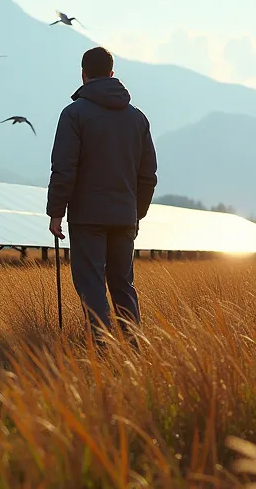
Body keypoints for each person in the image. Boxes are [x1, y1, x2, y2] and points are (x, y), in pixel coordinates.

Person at [47, 46, 157, 339]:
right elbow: (148, 176)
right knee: (123, 284)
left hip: (87, 218)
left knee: (91, 284)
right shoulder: (138, 119)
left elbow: (63, 169)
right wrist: (136, 212)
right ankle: (133, 349)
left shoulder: (73, 115)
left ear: (83, 75)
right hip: (124, 216)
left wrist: (56, 212)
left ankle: (102, 349)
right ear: (112, 74)